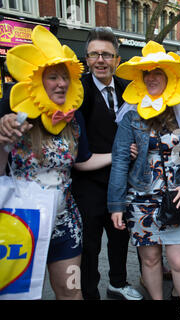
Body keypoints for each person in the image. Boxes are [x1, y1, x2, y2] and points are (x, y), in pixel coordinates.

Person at [0, 26, 112, 299]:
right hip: (20, 221)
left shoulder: (73, 118)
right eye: (53, 77)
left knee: (72, 292)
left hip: (64, 221)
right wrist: (1, 138)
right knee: (19, 294)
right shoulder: (13, 112)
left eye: (64, 77)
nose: (61, 83)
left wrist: (118, 155)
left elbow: (82, 161)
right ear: (37, 81)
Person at [108, 41, 180, 300]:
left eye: (157, 72)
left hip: (176, 198)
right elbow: (119, 160)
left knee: (179, 261)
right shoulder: (131, 116)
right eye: (146, 73)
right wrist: (115, 204)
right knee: (150, 261)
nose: (151, 78)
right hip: (140, 198)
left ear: (168, 77)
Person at [69, 27, 142, 301]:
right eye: (94, 54)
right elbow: (77, 150)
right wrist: (119, 153)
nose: (101, 60)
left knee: (120, 237)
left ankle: (118, 283)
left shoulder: (128, 89)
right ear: (86, 59)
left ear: (117, 60)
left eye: (107, 55)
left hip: (122, 183)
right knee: (89, 246)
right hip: (88, 185)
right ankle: (89, 293)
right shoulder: (78, 92)